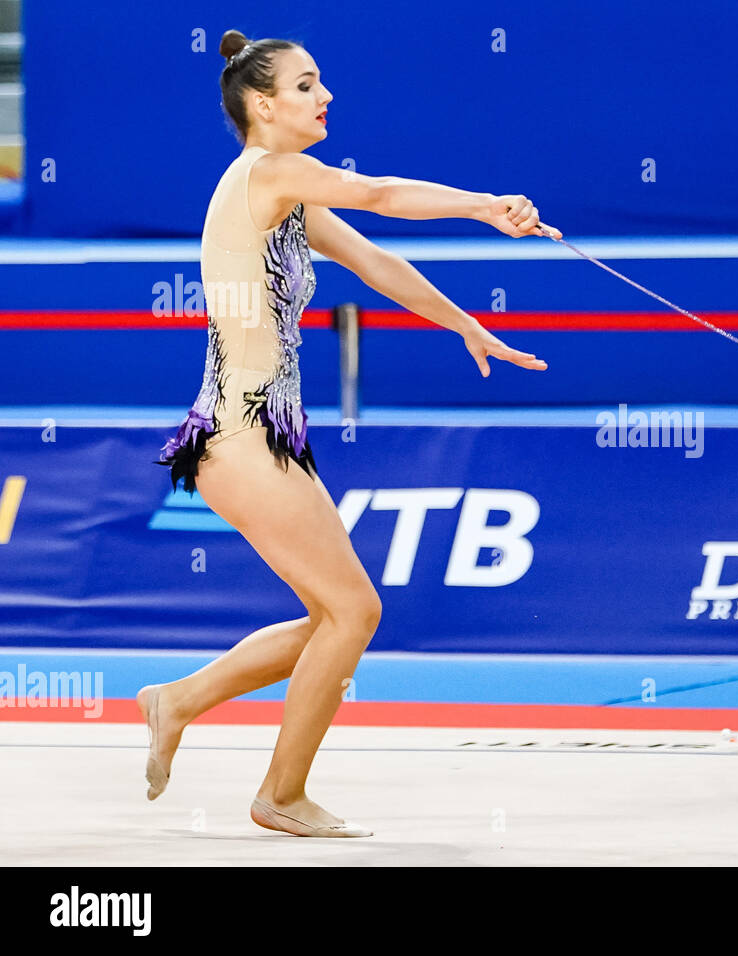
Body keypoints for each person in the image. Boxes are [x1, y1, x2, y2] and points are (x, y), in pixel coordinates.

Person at [140, 28, 559, 837]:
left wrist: (466, 325)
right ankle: (280, 795)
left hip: (259, 436)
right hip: (239, 433)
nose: (324, 95)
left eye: (320, 82)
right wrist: (484, 205)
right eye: (305, 85)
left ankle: (178, 699)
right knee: (353, 613)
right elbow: (382, 193)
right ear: (262, 104)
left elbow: (377, 262)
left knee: (332, 616)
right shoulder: (269, 173)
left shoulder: (291, 200)